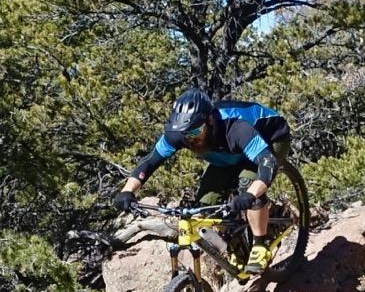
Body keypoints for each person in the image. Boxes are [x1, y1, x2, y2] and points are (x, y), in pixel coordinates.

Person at [113, 88, 292, 271]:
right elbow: (150, 162)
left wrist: (250, 194)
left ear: (210, 120)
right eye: (186, 134)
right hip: (228, 152)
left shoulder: (236, 127)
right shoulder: (179, 132)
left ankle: (260, 244)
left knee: (249, 185)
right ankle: (236, 242)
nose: (191, 138)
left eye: (196, 131)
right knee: (206, 205)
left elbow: (267, 164)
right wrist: (127, 191)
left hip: (271, 138)